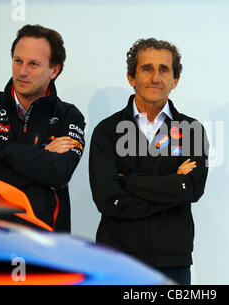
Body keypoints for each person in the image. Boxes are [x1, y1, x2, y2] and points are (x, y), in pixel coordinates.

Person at [89, 38, 209, 285]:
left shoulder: (192, 130)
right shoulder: (107, 130)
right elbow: (108, 199)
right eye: (147, 68)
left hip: (172, 263)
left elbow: (191, 190)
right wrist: (171, 186)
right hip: (116, 259)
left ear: (175, 80)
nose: (156, 77)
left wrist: (129, 182)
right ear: (131, 77)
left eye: (164, 70)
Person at [0, 24, 85, 232]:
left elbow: (58, 173)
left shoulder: (69, 116)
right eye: (18, 61)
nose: (22, 71)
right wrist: (40, 158)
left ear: (54, 70)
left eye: (33, 64)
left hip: (45, 243)